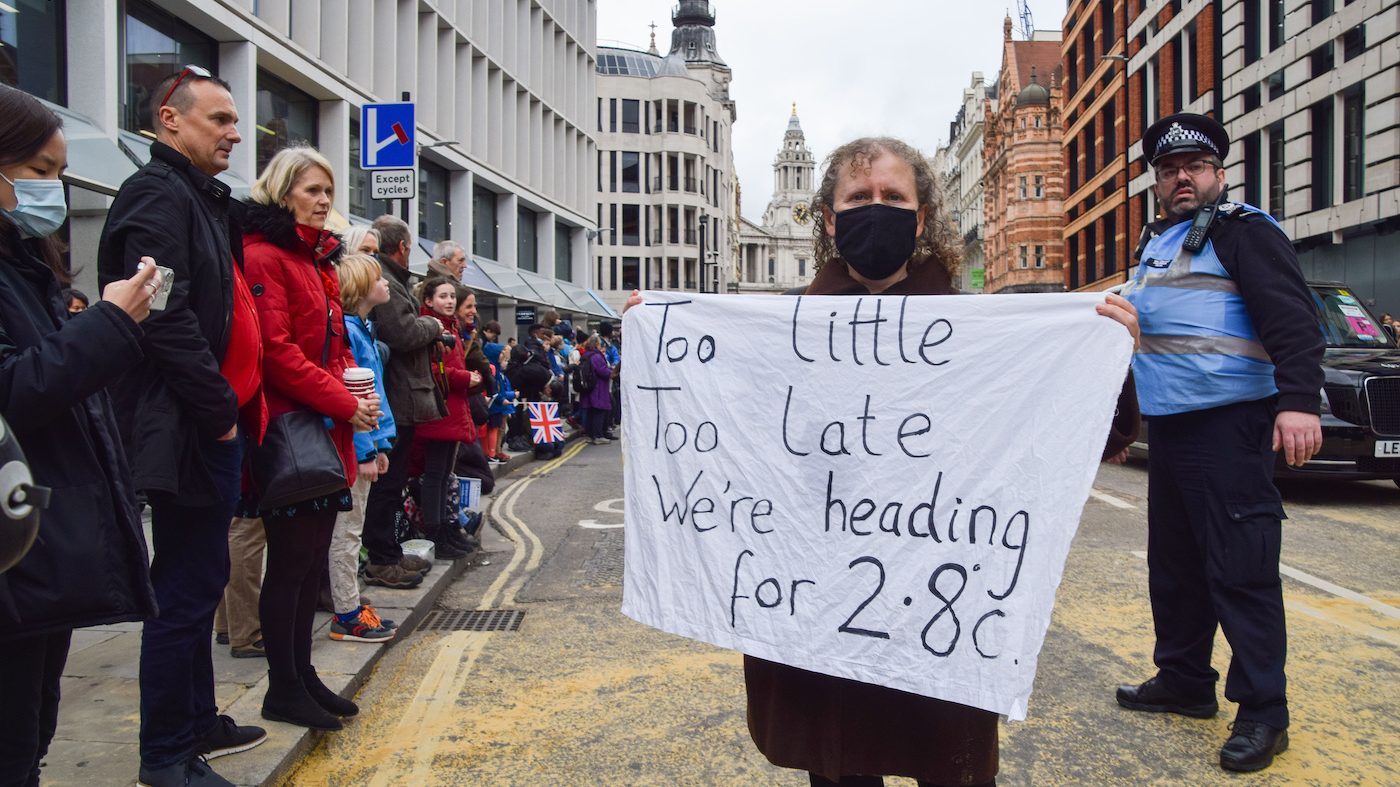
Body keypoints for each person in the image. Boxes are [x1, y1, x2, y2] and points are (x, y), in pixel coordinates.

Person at [669, 136, 1139, 787]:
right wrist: (664, 349)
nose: (877, 208)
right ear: (829, 219)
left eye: (893, 196)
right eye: (859, 198)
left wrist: (1111, 353)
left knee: (947, 764)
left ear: (921, 217)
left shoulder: (976, 328)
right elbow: (714, 431)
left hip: (937, 605)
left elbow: (1093, 431)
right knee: (839, 766)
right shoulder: (782, 329)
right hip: (826, 608)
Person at [1117, 113, 1324, 773]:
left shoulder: (1243, 232)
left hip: (1232, 424)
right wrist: (1123, 428)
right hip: (1172, 428)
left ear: (1219, 173)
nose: (1183, 178)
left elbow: (1292, 318)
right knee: (1175, 567)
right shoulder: (1156, 247)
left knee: (1241, 568)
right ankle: (1183, 679)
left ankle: (1265, 712)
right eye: (1170, 169)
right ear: (1156, 180)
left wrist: (1297, 402)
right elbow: (1134, 345)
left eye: (1196, 167)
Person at [97, 65, 268, 787]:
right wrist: (219, 412)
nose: (235, 132)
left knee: (198, 580)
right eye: (220, 119)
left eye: (236, 121)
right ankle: (166, 753)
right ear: (170, 120)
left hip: (206, 424)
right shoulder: (156, 195)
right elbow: (162, 319)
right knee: (183, 589)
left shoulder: (198, 197)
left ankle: (198, 718)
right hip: (189, 427)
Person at [0, 85, 160, 787]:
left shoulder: (24, 264)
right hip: (13, 547)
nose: (52, 190)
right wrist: (110, 323)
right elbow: (14, 390)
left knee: (32, 729)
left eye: (58, 174)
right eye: (37, 171)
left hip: (34, 541)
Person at [242, 145, 377, 730]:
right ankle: (284, 686)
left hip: (324, 428)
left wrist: (352, 389)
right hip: (291, 432)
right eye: (311, 191)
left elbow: (330, 345)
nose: (323, 201)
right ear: (282, 193)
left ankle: (303, 675)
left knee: (308, 563)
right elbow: (276, 354)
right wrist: (345, 400)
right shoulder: (266, 257)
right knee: (292, 564)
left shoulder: (317, 261)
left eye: (328, 191)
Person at [361, 215, 441, 588]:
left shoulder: (392, 279)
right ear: (405, 247)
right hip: (394, 396)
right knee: (386, 482)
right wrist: (435, 325)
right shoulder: (388, 281)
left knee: (391, 482)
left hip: (397, 397)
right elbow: (403, 331)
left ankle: (388, 551)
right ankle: (381, 557)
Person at [329, 252, 402, 642]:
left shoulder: (361, 329)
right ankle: (346, 612)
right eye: (378, 277)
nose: (386, 282)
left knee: (349, 531)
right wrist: (366, 450)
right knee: (348, 533)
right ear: (359, 286)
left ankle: (350, 604)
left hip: (367, 443)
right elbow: (354, 396)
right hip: (355, 450)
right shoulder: (351, 332)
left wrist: (380, 443)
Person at [412, 276, 483, 558]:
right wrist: (467, 377)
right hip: (437, 410)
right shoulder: (429, 327)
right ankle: (436, 533)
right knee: (435, 474)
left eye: (452, 296)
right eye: (443, 296)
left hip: (449, 408)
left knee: (443, 475)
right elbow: (432, 368)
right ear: (428, 301)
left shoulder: (450, 326)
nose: (450, 301)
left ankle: (447, 529)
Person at [482, 341, 518, 462]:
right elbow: (495, 389)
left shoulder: (496, 370)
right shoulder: (493, 370)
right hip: (494, 405)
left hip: (496, 404)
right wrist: (502, 399)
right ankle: (491, 453)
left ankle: (493, 452)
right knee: (493, 429)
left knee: (495, 429)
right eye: (503, 358)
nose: (505, 361)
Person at [579, 334, 613, 445]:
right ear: (597, 345)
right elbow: (603, 371)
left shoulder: (586, 355)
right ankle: (598, 436)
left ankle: (590, 435)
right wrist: (612, 372)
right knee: (599, 412)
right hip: (598, 388)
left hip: (588, 388)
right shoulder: (596, 357)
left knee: (591, 413)